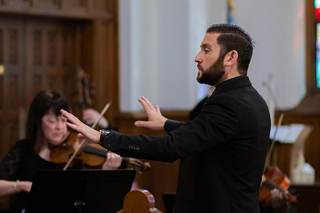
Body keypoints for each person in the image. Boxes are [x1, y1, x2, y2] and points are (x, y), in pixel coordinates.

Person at [61, 24, 271, 212]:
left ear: (230, 57)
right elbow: (210, 135)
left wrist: (104, 137)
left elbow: (171, 147)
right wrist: (166, 124)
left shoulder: (229, 102)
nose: (197, 57)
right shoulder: (253, 99)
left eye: (206, 50)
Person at [0, 90, 122, 212]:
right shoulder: (23, 150)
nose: (59, 127)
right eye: (52, 121)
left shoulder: (77, 152)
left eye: (64, 121)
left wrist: (107, 171)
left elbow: (93, 198)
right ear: (37, 121)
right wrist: (21, 185)